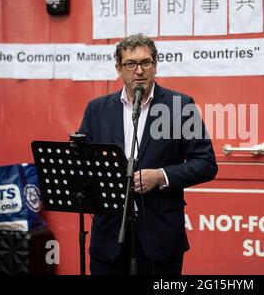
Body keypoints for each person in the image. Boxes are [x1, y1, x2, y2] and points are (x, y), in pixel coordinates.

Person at [78, 34, 218, 275]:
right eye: (130, 64)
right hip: (109, 237)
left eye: (146, 62)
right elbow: (82, 165)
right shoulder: (97, 109)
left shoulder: (180, 106)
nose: (139, 70)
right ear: (118, 69)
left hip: (159, 237)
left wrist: (160, 176)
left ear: (155, 65)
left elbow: (206, 163)